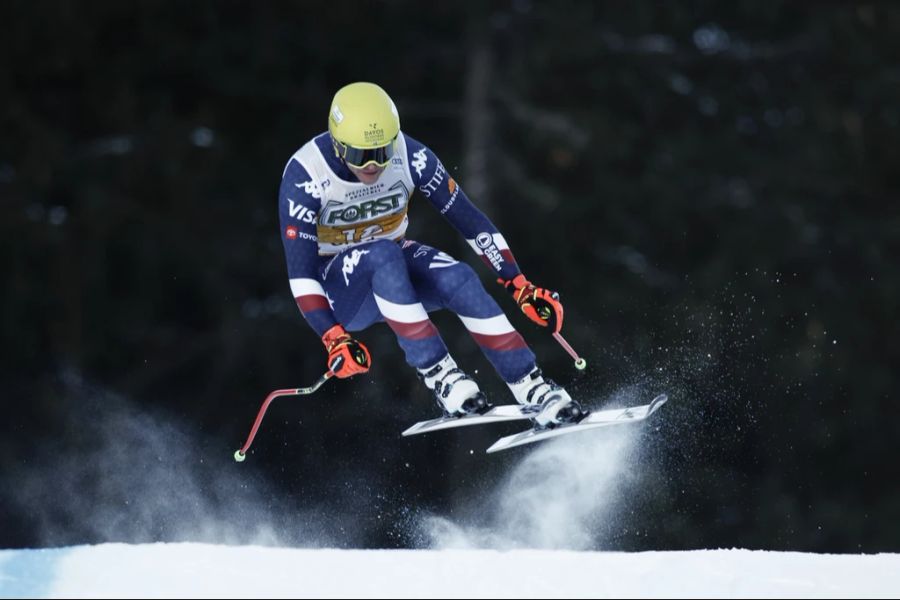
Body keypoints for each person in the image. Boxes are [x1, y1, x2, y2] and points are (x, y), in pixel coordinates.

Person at [277, 82, 583, 427]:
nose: (375, 165)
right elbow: (301, 274)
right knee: (382, 255)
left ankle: (534, 387)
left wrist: (519, 284)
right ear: (337, 144)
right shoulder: (305, 175)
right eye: (362, 155)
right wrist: (332, 335)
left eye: (384, 150)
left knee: (459, 278)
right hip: (340, 291)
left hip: (393, 267)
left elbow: (468, 219)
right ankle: (441, 375)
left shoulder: (412, 156)